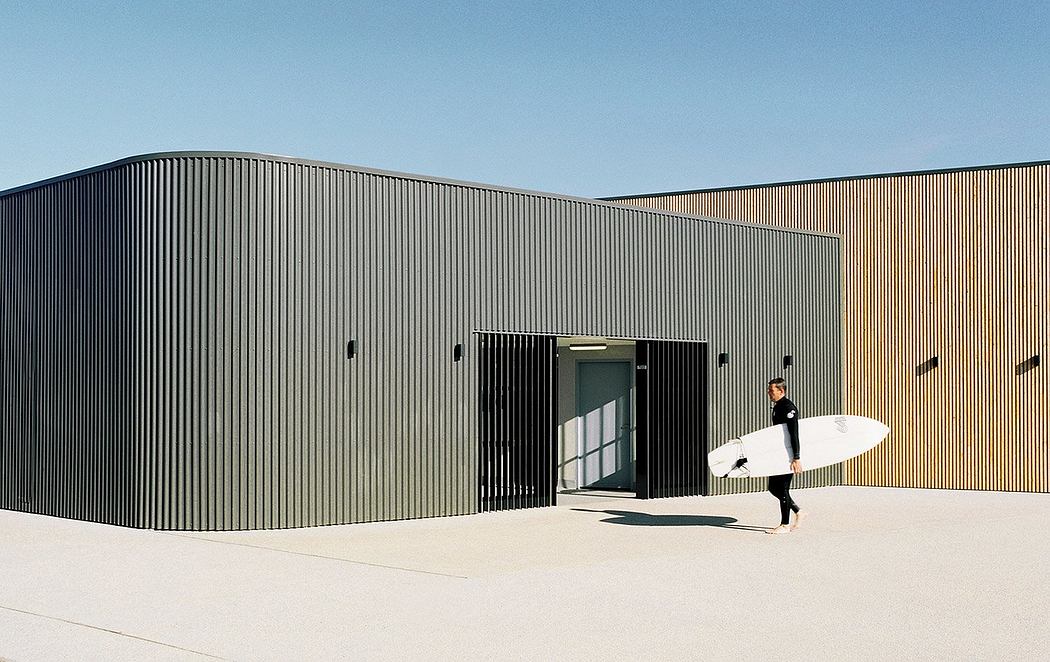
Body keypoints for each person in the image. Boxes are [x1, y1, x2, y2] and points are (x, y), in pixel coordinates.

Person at [766, 377, 806, 534]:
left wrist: (796, 457)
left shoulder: (788, 408)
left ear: (781, 391)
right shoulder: (778, 407)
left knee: (782, 488)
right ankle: (798, 511)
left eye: (771, 390)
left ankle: (785, 525)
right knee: (773, 488)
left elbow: (794, 434)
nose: (769, 393)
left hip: (788, 455)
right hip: (779, 453)